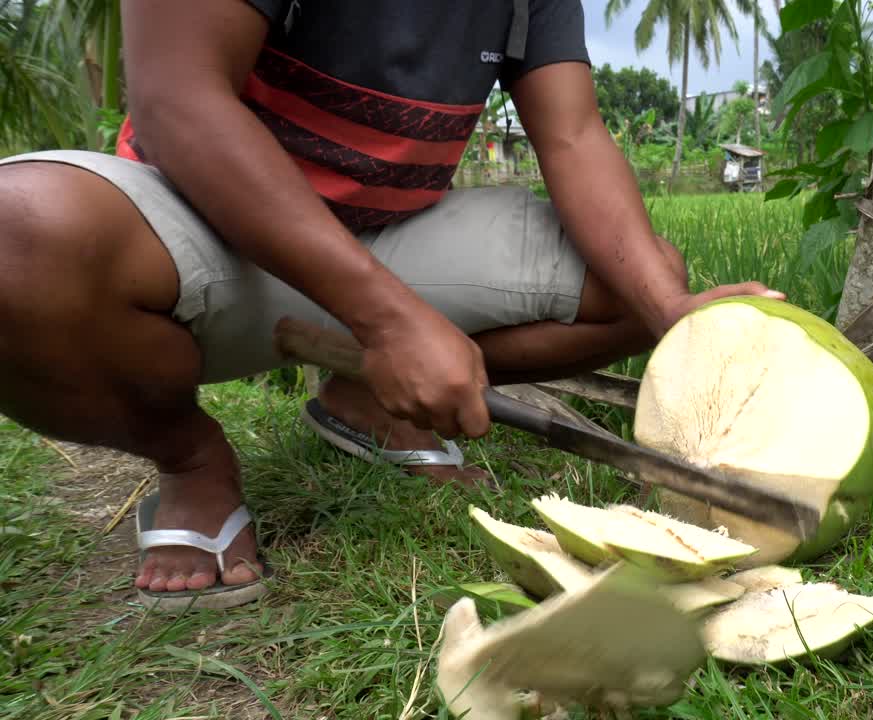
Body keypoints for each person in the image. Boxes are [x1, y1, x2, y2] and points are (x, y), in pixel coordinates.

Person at [0, 0, 783, 610]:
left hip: (391, 233)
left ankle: (365, 403)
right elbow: (178, 100)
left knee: (634, 281)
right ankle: (191, 460)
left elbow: (573, 135)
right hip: (202, 221)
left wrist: (672, 312)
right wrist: (387, 320)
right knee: (17, 243)